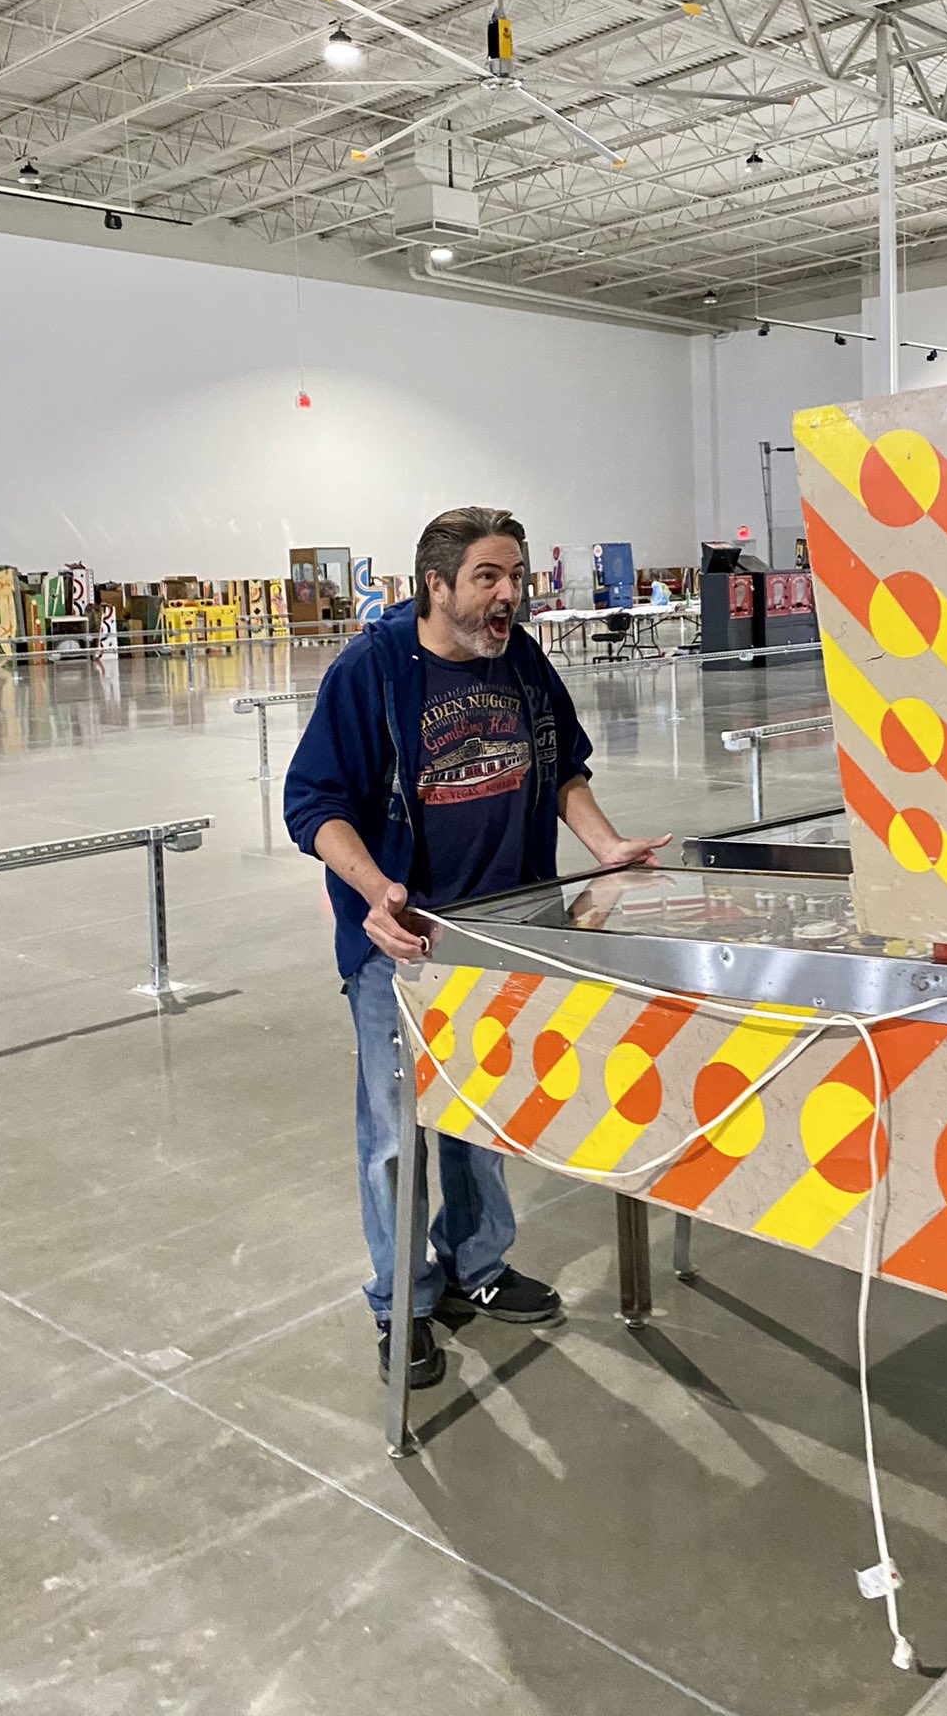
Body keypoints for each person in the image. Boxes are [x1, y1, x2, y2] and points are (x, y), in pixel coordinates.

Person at [285, 506, 668, 1390]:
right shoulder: (372, 673)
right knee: (394, 1133)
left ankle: (477, 1265)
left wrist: (604, 847)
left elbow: (562, 765)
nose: (509, 594)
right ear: (438, 586)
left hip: (504, 936)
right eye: (490, 577)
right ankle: (403, 1302)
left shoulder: (521, 661)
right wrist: (374, 889)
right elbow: (313, 805)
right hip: (405, 943)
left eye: (516, 575)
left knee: (482, 1108)